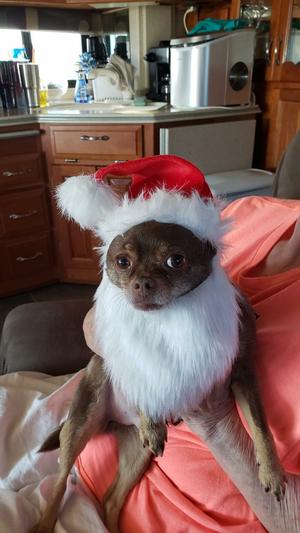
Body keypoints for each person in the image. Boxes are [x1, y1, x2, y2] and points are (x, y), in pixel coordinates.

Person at [79, 194, 300, 533]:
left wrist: (213, 419)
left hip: (182, 519)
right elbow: (95, 323)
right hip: (87, 470)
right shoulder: (235, 215)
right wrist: (144, 369)